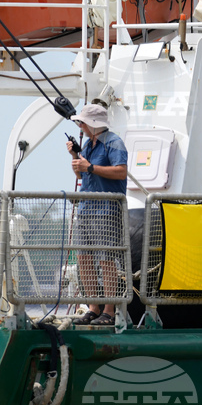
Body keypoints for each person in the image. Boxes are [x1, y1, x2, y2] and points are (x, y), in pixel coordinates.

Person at [66, 104, 128, 326]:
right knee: (83, 258)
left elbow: (121, 171)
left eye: (82, 122)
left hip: (106, 209)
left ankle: (109, 311)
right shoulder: (88, 145)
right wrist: (75, 155)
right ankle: (93, 308)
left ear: (92, 124)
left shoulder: (114, 142)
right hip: (86, 208)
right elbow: (80, 173)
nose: (80, 126)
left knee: (106, 259)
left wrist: (90, 167)